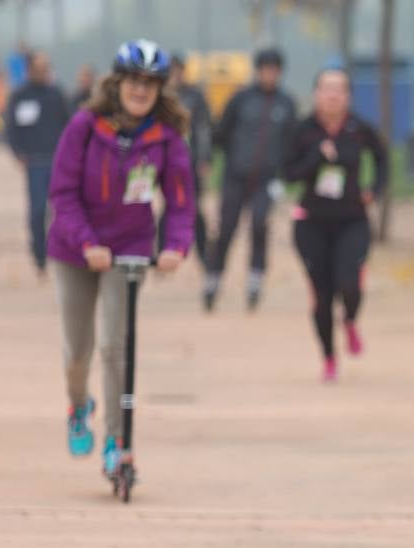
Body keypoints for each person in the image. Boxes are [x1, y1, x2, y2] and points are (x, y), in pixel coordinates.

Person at [47, 39, 194, 477]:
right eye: (134, 80)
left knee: (116, 347)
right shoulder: (86, 126)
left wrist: (175, 246)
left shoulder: (165, 139)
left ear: (160, 90)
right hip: (75, 251)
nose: (141, 90)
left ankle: (116, 441)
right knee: (79, 351)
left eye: (150, 83)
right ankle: (78, 405)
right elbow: (62, 193)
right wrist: (88, 243)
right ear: (118, 82)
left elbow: (182, 201)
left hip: (130, 250)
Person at [285, 68, 388, 382]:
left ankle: (352, 320)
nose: (333, 95)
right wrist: (316, 157)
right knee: (322, 294)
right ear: (315, 94)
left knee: (350, 283)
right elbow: (288, 174)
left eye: (339, 89)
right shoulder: (303, 130)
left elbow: (383, 158)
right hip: (312, 223)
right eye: (326, 89)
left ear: (348, 96)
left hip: (352, 220)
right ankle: (329, 357)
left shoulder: (358, 128)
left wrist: (374, 190)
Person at [204, 47, 296, 312]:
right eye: (265, 69)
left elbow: (291, 144)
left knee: (259, 226)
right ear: (258, 71)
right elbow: (221, 133)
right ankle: (213, 280)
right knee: (225, 230)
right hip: (235, 176)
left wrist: (284, 175)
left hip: (267, 180)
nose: (269, 74)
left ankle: (255, 282)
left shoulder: (286, 104)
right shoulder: (241, 99)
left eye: (274, 70)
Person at [4, 49, 70, 275]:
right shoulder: (20, 95)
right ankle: (39, 255)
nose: (43, 72)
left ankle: (59, 254)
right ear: (30, 70)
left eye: (46, 68)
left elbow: (69, 125)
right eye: (38, 69)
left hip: (58, 160)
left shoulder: (56, 94)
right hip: (35, 162)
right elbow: (10, 127)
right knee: (38, 210)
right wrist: (17, 152)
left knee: (61, 210)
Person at [164, 52, 211, 265]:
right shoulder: (161, 96)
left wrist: (204, 158)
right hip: (164, 161)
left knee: (194, 207)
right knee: (165, 207)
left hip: (189, 160)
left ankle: (203, 253)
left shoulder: (194, 96)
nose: (175, 76)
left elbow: (203, 129)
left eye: (178, 71)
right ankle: (163, 249)